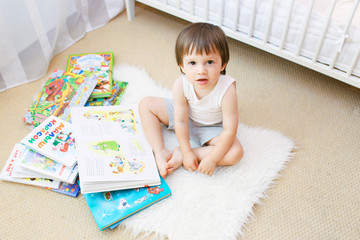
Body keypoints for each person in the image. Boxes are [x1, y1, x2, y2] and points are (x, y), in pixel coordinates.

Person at [139, 22, 243, 177]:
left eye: (210, 62)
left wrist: (211, 159)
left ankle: (185, 154)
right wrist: (187, 150)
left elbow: (229, 129)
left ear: (223, 64)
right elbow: (180, 120)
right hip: (185, 116)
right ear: (182, 65)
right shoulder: (180, 84)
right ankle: (160, 151)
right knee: (146, 104)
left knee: (236, 152)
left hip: (211, 127)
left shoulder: (227, 90)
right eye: (192, 63)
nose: (201, 71)